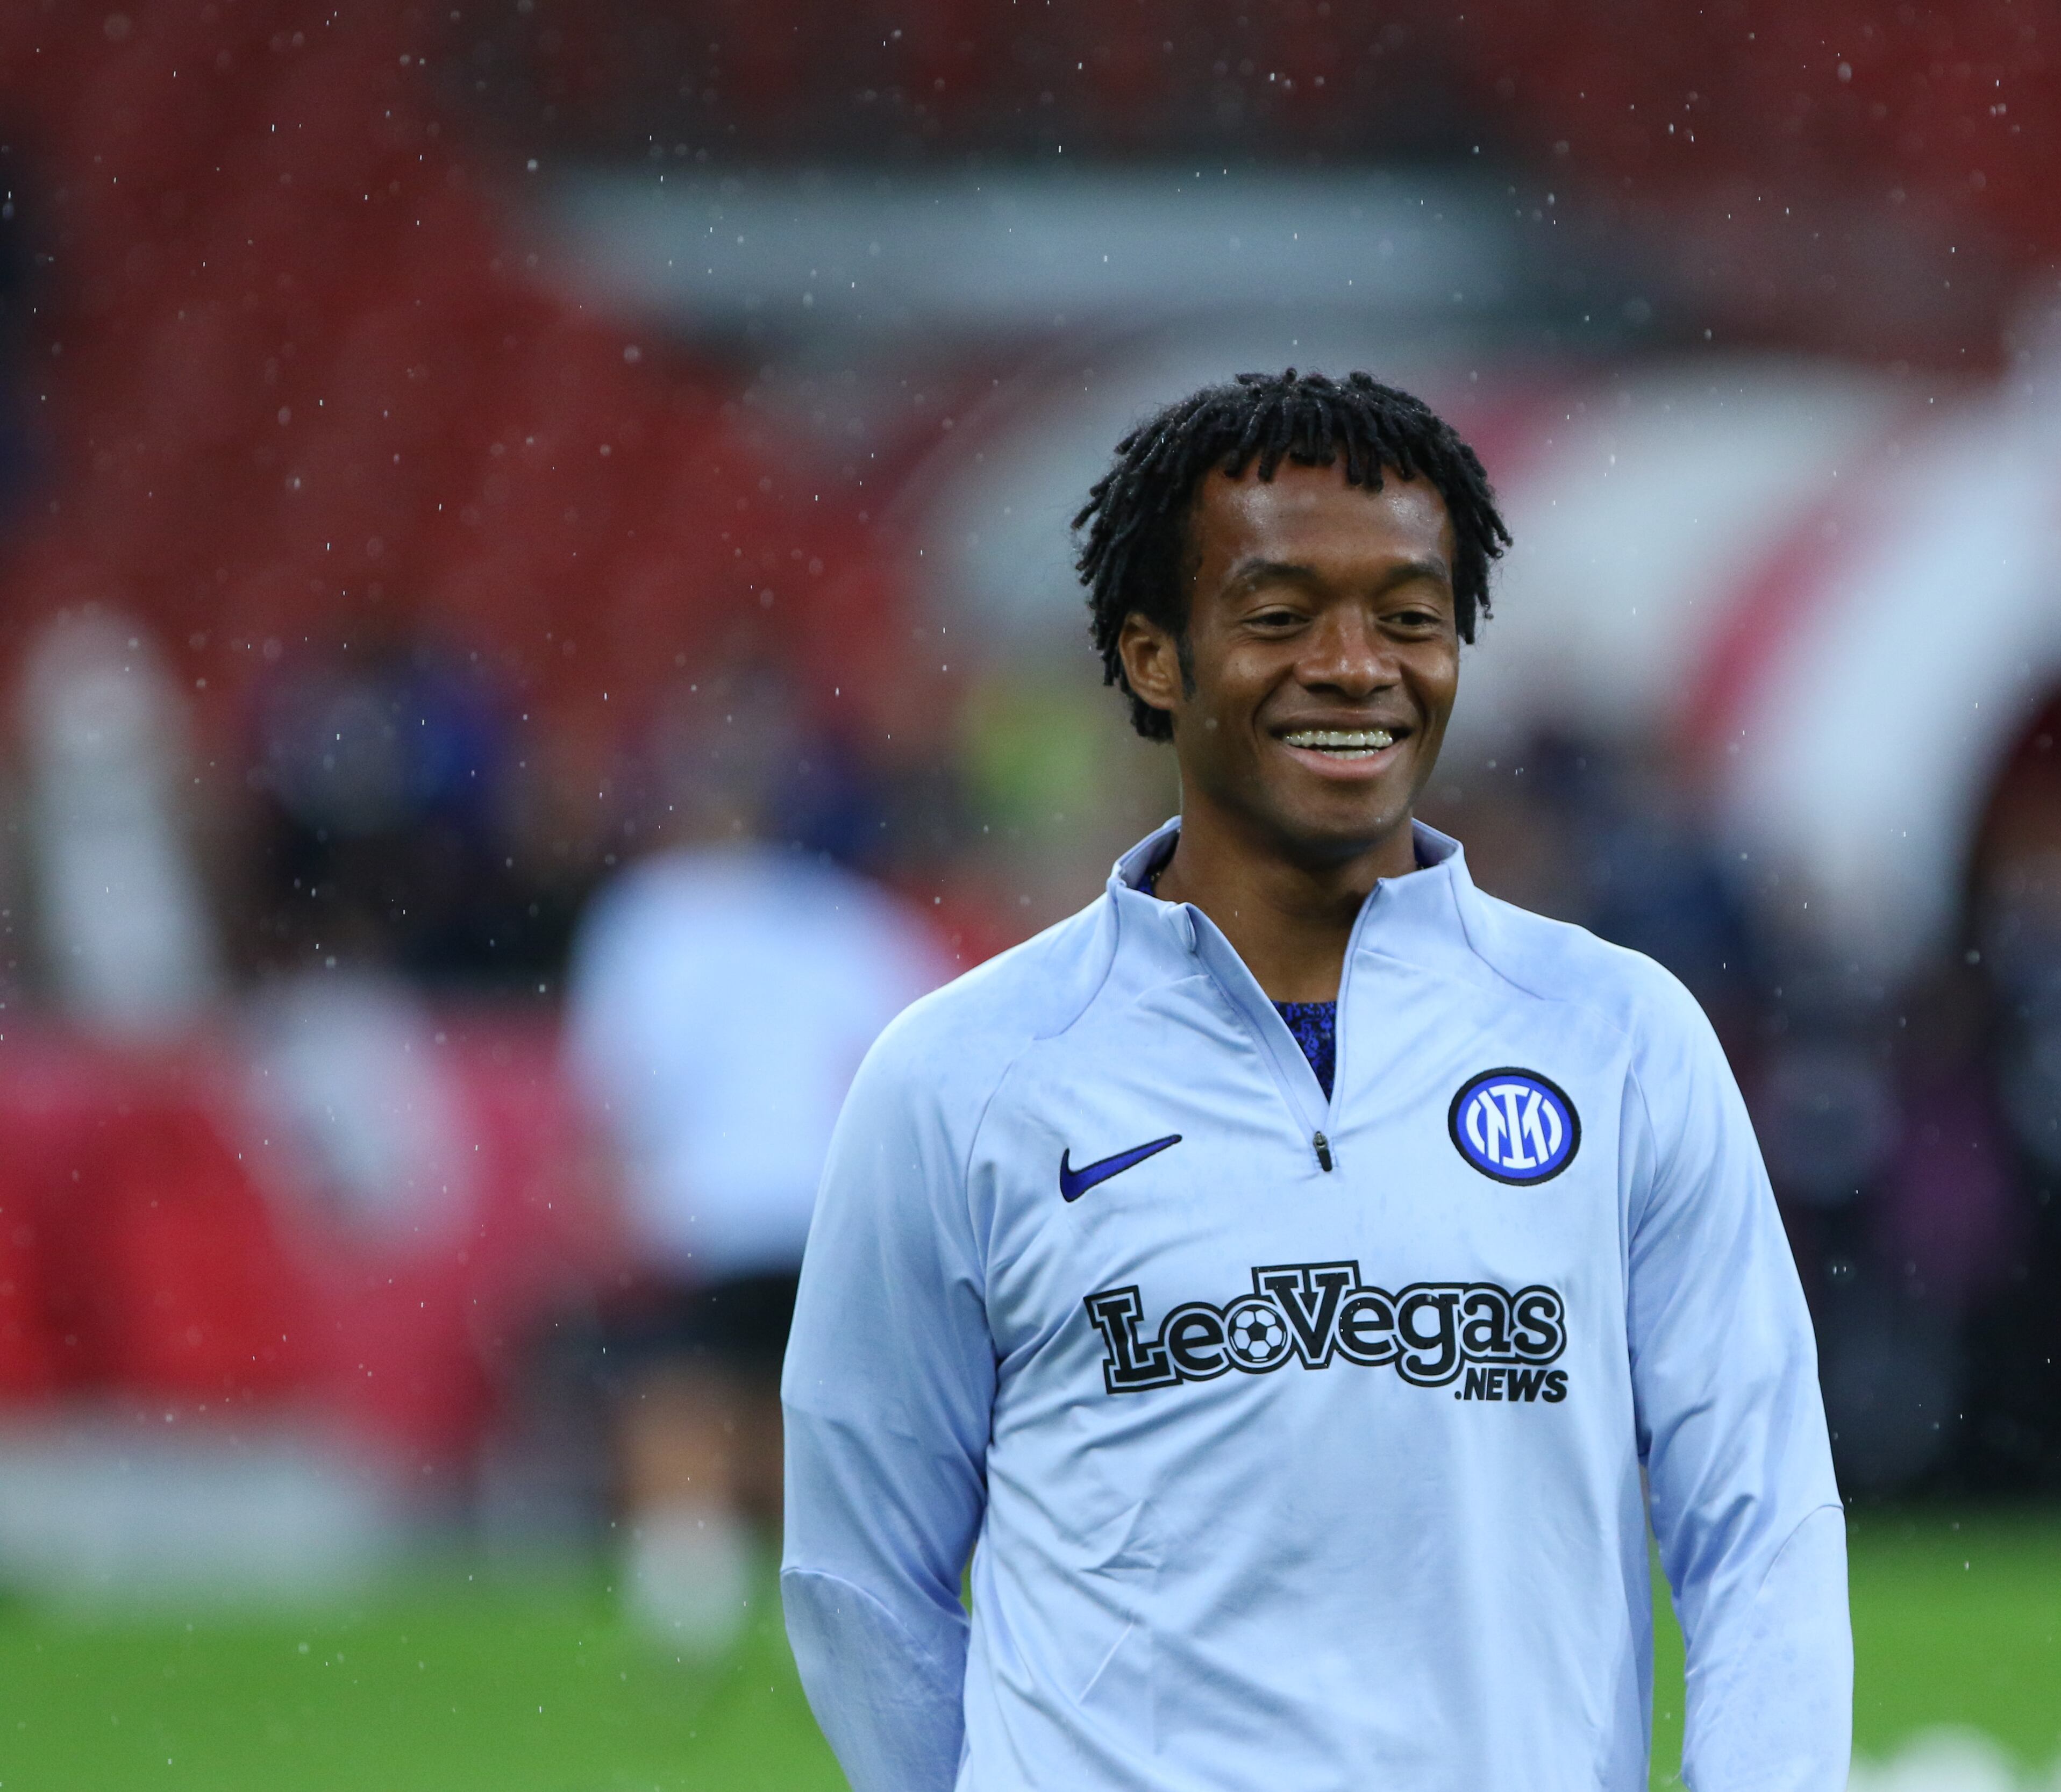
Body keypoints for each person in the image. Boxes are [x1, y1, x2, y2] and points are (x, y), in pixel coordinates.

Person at [781, 370, 1848, 1789]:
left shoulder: (1621, 1038)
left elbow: (1760, 1523)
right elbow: (862, 1572)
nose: (1357, 666)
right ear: (1154, 656)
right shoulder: (962, 1075)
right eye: (1281, 617)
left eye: (1409, 618)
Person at [567, 670, 951, 1659]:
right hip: (824, 1200)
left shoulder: (647, 916)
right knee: (805, 1406)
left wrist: (610, 1183)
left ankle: (688, 1603)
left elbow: (620, 1080)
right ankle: (824, 1601)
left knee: (684, 1391)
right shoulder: (852, 919)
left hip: (705, 1203)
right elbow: (924, 1064)